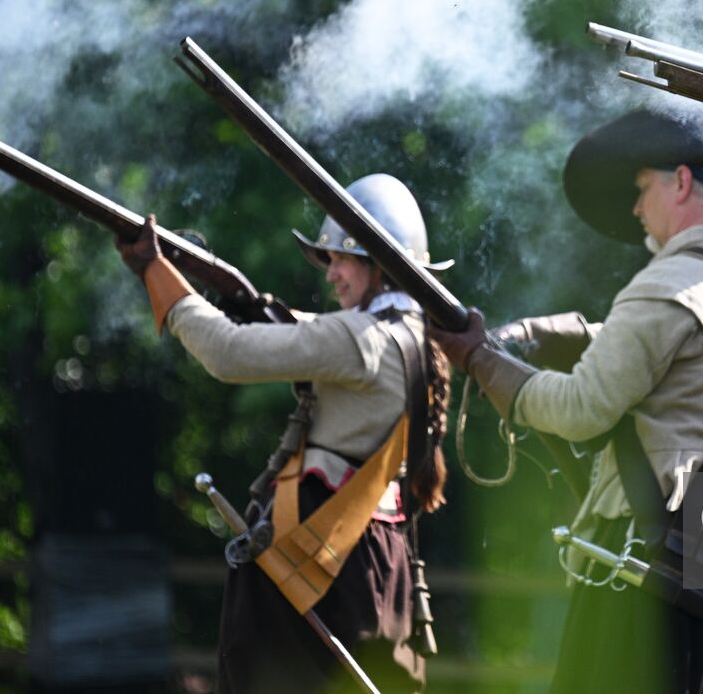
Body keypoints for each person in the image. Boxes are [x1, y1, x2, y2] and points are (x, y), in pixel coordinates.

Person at [430, 107, 703, 694]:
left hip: (662, 559)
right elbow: (666, 353)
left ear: (681, 182)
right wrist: (548, 335)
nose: (636, 208)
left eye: (642, 188)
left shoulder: (669, 283)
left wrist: (481, 361)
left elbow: (580, 410)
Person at [116, 174, 452, 694]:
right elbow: (309, 330)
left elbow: (227, 354)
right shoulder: (411, 334)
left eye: (343, 259)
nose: (331, 274)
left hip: (324, 556)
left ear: (380, 265)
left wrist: (156, 273)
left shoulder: (360, 337)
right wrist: (250, 304)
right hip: (369, 558)